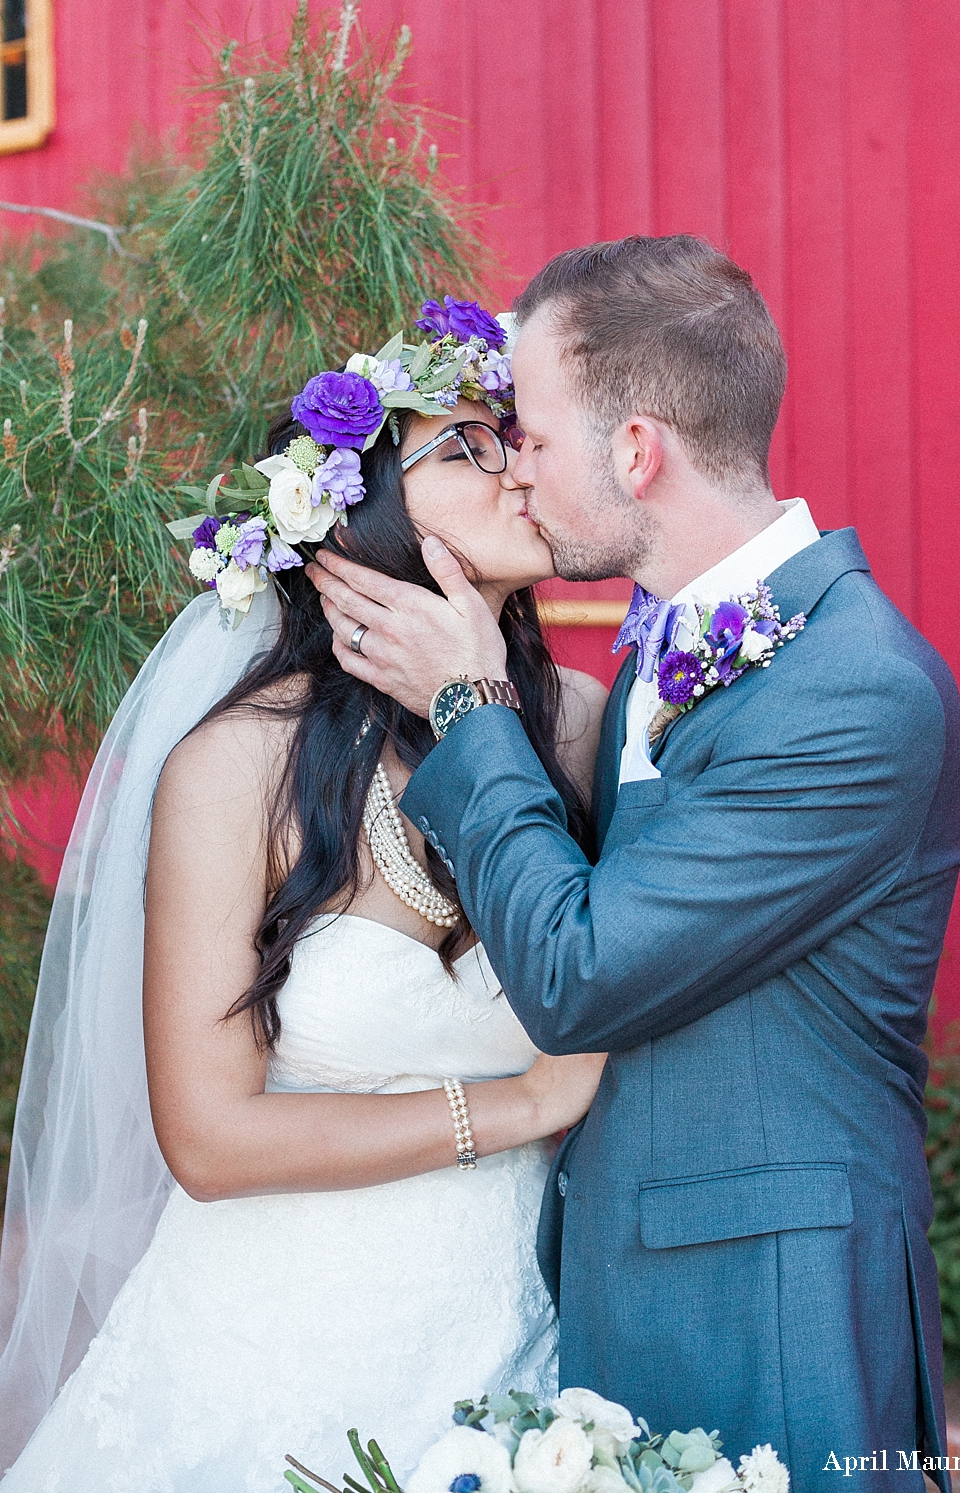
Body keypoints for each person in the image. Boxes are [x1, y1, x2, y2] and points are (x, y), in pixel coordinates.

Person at [307, 236, 960, 1493]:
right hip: (610, 1278)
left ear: (633, 451)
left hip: (775, 1307)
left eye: (534, 441)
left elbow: (579, 974)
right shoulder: (659, 637)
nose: (514, 472)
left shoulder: (854, 691)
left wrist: (463, 703)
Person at [0, 301, 608, 1490]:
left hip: (517, 1345)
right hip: (268, 1355)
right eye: (465, 444)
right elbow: (210, 1139)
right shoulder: (236, 768)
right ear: (356, 514)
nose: (513, 463)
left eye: (512, 431)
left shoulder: (580, 727)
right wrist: (526, 1103)